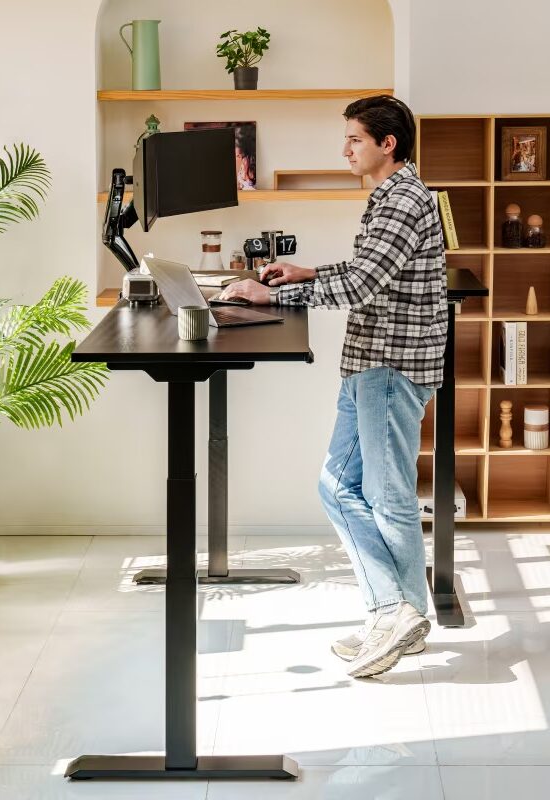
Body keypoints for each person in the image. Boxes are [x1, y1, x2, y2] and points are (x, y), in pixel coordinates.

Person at [221, 95, 448, 678]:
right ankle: (402, 620)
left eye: (354, 139)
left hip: (389, 368)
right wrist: (309, 271)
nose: (344, 150)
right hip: (372, 363)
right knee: (340, 487)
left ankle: (391, 613)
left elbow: (366, 284)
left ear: (386, 143)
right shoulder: (391, 196)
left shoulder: (403, 200)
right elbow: (364, 270)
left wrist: (275, 294)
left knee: (385, 497)